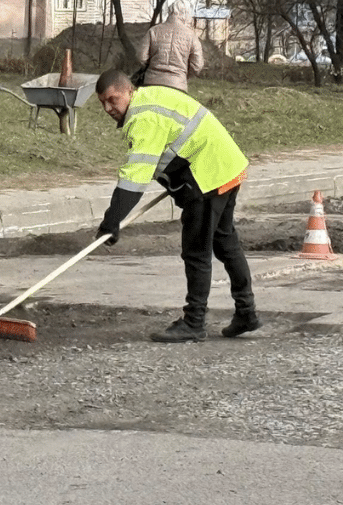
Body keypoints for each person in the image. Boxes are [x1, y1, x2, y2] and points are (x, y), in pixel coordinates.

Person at [94, 69, 260, 343]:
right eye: (103, 103)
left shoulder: (144, 118)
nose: (108, 108)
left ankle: (194, 322)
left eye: (113, 100)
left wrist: (111, 222)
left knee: (197, 251)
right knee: (225, 242)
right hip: (226, 166)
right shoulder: (150, 98)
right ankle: (246, 312)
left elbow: (135, 176)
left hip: (208, 176)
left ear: (128, 91)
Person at [136, 0, 204, 92]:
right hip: (178, 85)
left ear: (170, 12)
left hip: (152, 83)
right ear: (186, 14)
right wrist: (184, 76)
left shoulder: (153, 31)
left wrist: (151, 68)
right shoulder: (191, 36)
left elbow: (141, 57)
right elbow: (197, 66)